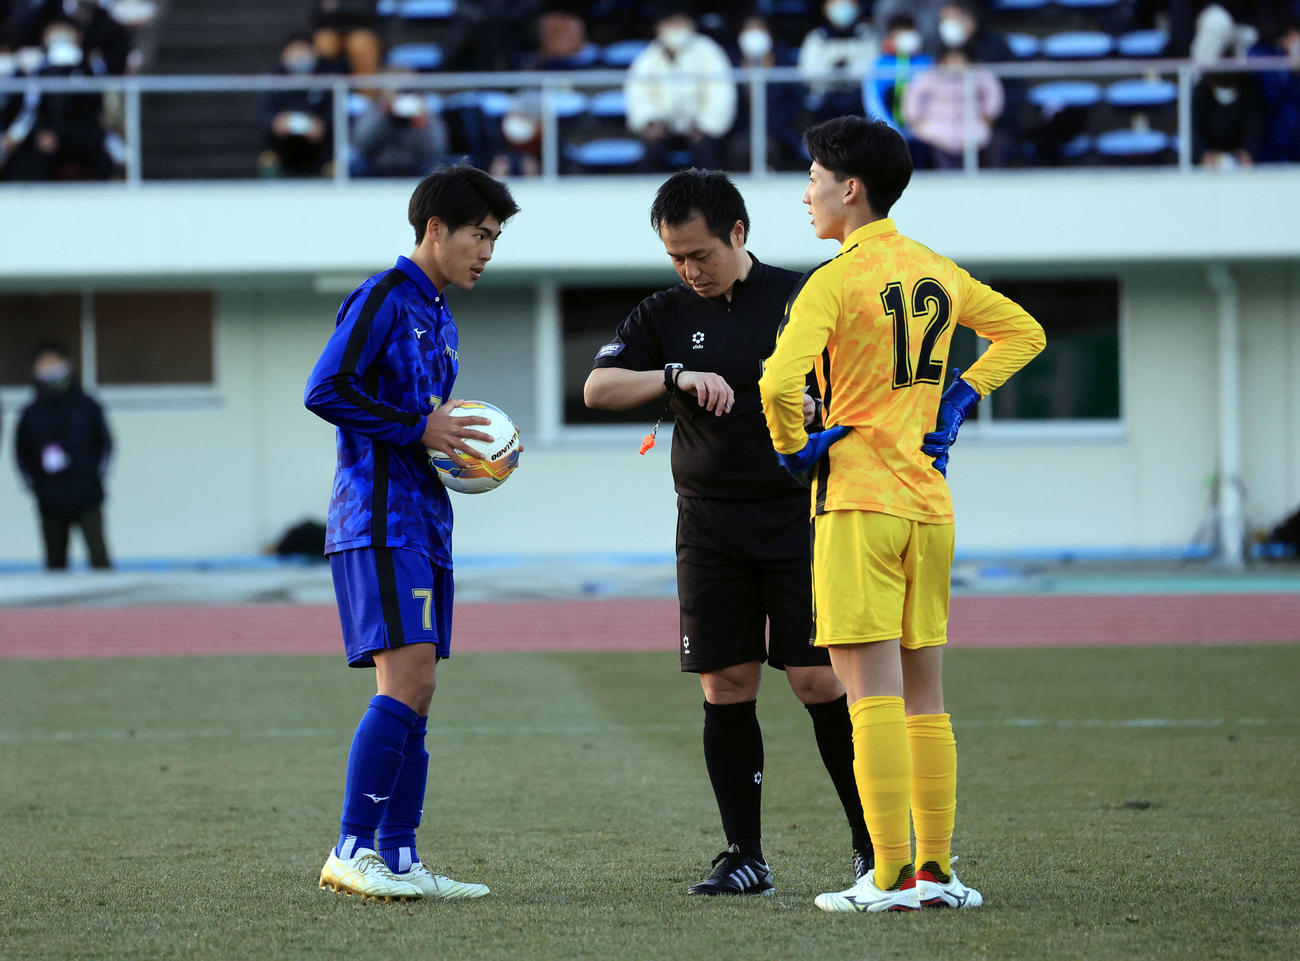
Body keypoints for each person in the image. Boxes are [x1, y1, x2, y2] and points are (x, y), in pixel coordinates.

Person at [758, 116, 1045, 912]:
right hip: (929, 505)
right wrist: (957, 396)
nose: (806, 191)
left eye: (813, 175)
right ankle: (939, 871)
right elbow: (1024, 332)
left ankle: (885, 875)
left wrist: (793, 448)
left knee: (870, 695)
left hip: (857, 501)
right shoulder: (934, 269)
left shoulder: (834, 279)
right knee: (926, 694)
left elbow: (778, 385)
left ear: (850, 188)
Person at [584, 169, 874, 897]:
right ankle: (744, 854)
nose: (690, 270)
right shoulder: (663, 313)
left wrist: (822, 406)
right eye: (676, 256)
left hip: (800, 517)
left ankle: (874, 849)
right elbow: (597, 389)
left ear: (739, 234)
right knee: (727, 683)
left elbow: (865, 389)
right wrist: (674, 375)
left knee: (817, 678)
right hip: (708, 525)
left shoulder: (804, 295)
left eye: (701, 254)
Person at [303, 163, 520, 902]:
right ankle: (351, 847)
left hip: (424, 520)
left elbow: (430, 427)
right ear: (435, 229)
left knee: (419, 690)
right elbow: (325, 388)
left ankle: (397, 856)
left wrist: (471, 453)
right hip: (377, 519)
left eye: (494, 239)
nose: (487, 251)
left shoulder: (441, 315)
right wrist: (417, 426)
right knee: (410, 678)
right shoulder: (384, 298)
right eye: (479, 235)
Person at [14, 342, 113, 570]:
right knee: (55, 564)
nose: (50, 368)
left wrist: (93, 476)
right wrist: (37, 485)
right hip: (49, 497)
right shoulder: (30, 413)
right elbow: (21, 454)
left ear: (68, 365)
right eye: (44, 364)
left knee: (100, 559)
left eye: (54, 362)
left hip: (86, 494)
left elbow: (106, 446)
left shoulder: (88, 406)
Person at [624, 6, 736, 172]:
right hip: (663, 127)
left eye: (680, 23)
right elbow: (638, 94)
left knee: (706, 154)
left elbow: (721, 93)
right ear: (659, 28)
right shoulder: (648, 57)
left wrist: (705, 125)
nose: (675, 28)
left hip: (700, 128)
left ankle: (709, 197)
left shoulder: (708, 51)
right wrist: (650, 121)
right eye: (670, 24)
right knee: (651, 152)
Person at [902, 42, 1003, 169]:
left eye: (960, 59)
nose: (956, 63)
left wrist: (990, 113)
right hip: (935, 132)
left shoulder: (979, 75)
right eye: (952, 59)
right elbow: (913, 98)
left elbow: (993, 94)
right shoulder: (930, 76)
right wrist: (914, 118)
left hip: (972, 129)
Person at [258, 33, 333, 178]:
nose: (299, 56)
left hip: (318, 149)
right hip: (282, 146)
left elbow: (333, 116)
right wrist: (276, 122)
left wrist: (321, 125)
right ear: (284, 54)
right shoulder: (273, 81)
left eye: (303, 51)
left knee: (335, 162)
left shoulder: (326, 80)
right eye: (294, 51)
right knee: (267, 158)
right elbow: (265, 115)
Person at [797, 0, 877, 122]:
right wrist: (832, 69)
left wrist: (849, 69)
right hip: (825, 100)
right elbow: (807, 72)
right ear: (826, 7)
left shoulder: (866, 35)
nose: (843, 8)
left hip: (859, 99)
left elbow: (874, 68)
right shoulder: (817, 37)